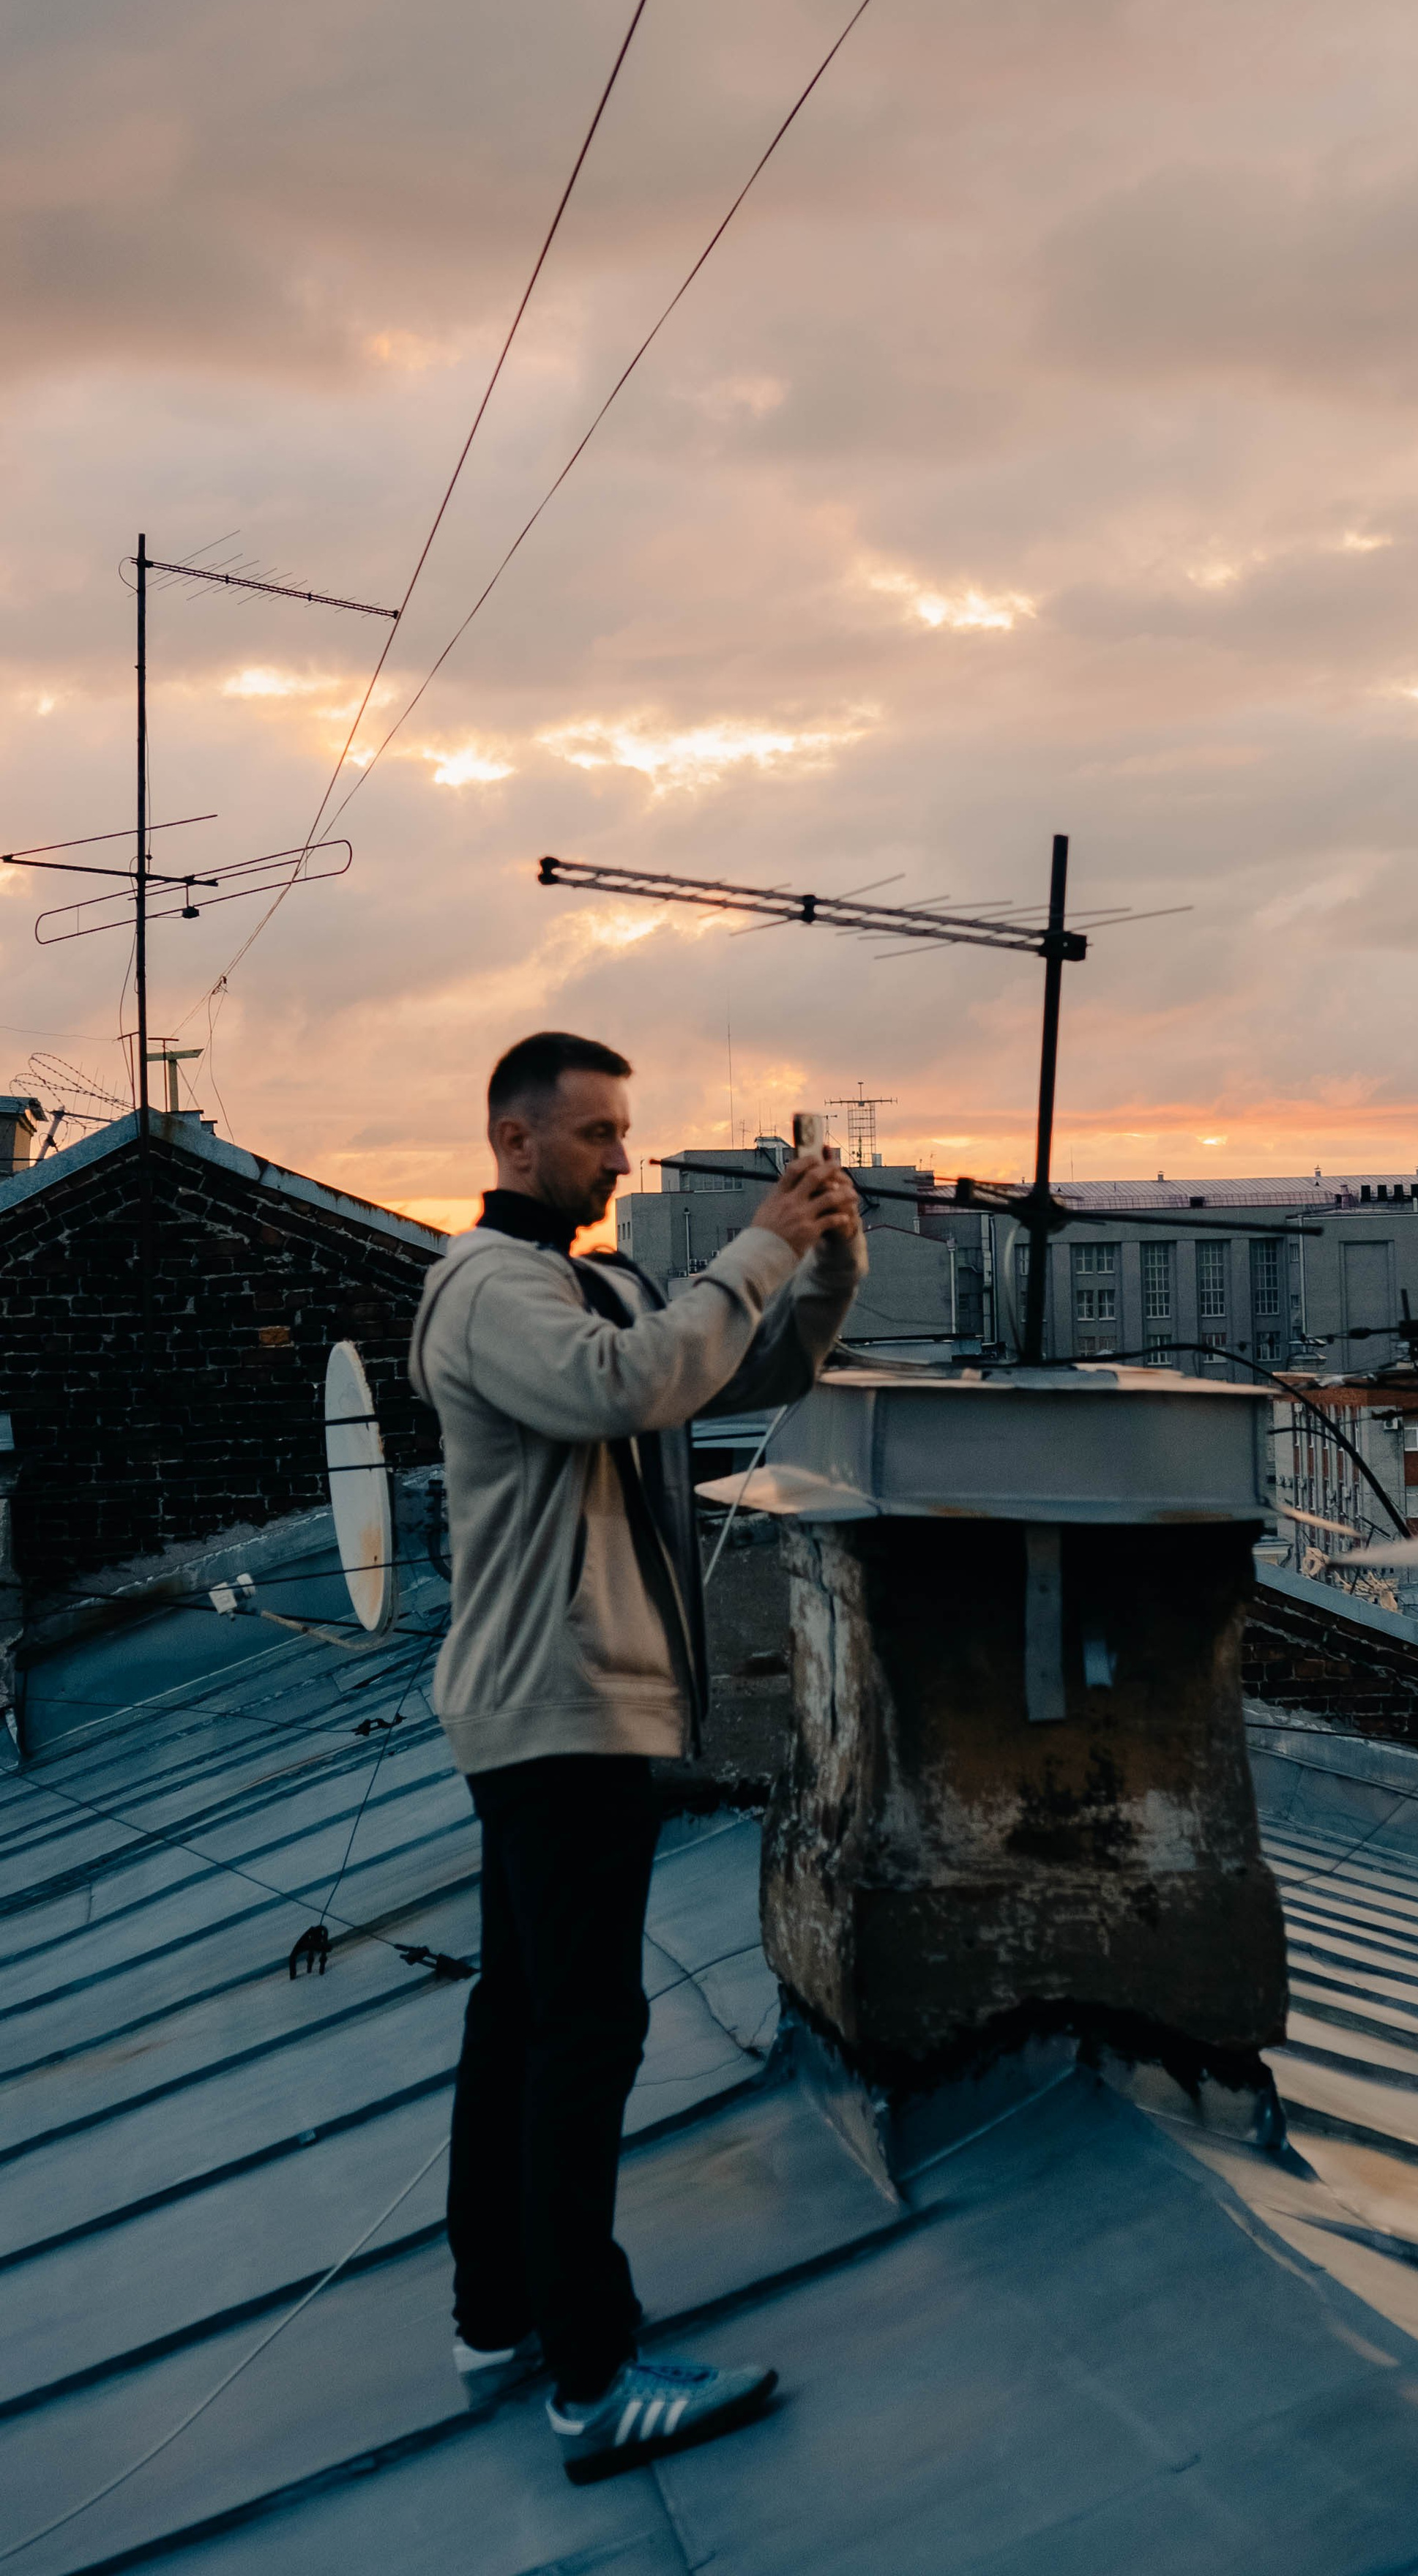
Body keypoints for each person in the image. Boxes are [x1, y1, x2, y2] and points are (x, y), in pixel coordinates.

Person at [409, 1029, 864, 2482]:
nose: (620, 1154)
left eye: (624, 1129)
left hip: (567, 1712)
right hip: (556, 1715)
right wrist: (749, 1245)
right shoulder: (487, 1290)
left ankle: (500, 2325)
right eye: (597, 1133)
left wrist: (823, 1262)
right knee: (582, 2039)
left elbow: (725, 1368)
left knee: (523, 2022)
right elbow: (629, 1387)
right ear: (514, 1143)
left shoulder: (581, 1282)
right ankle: (592, 2377)